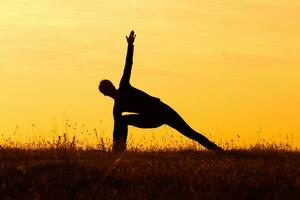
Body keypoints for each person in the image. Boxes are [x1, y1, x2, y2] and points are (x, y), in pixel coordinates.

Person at [99, 30, 223, 152]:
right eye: (107, 90)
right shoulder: (117, 108)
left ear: (112, 85)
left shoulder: (124, 86)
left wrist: (130, 46)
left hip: (161, 110)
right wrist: (115, 146)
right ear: (105, 94)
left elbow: (128, 65)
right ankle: (118, 151)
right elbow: (117, 128)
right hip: (150, 119)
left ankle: (217, 149)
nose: (110, 90)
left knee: (189, 132)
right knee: (121, 120)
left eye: (109, 86)